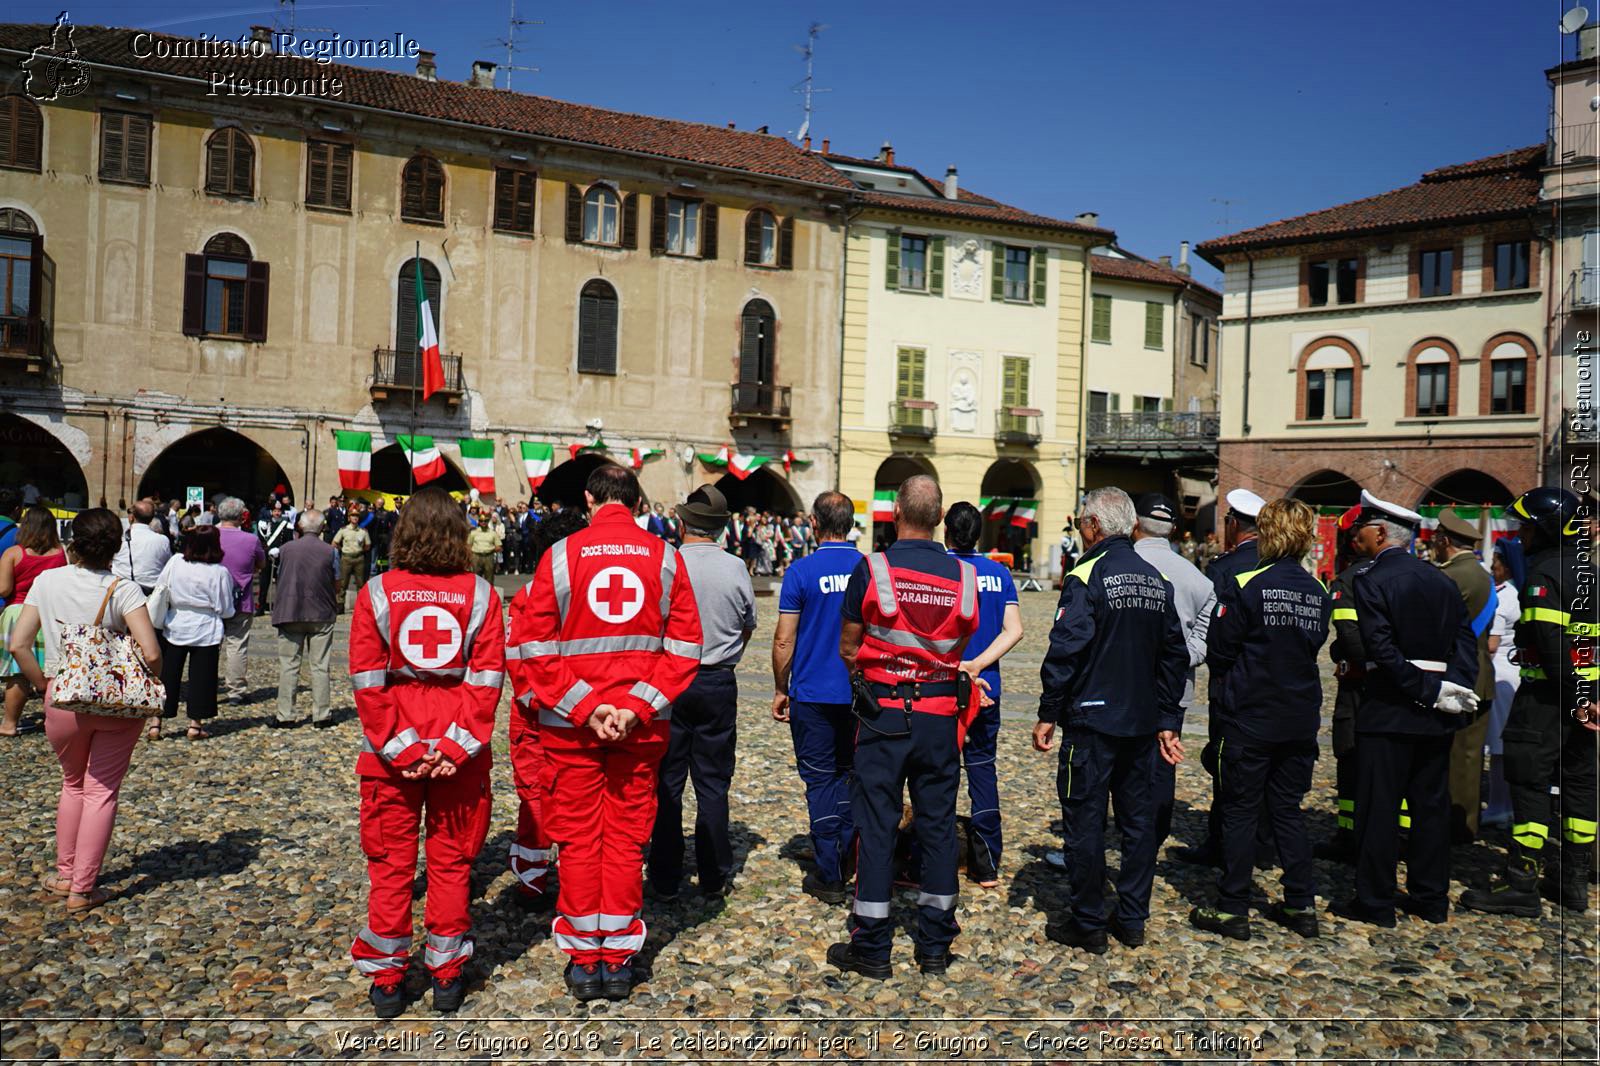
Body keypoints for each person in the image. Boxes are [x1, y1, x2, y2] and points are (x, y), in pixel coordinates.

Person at [510, 464, 701, 1002]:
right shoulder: (666, 559)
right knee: (623, 838)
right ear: (637, 503)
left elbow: (534, 648)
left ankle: (582, 957)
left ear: (591, 500)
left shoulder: (560, 557)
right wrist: (636, 707)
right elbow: (686, 648)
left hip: (571, 731)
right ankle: (617, 959)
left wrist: (586, 708)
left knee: (575, 837)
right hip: (639, 730)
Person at [347, 487, 504, 1017]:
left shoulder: (377, 593)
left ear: (404, 533)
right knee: (452, 863)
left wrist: (404, 747)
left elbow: (368, 683)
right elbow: (487, 681)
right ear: (460, 535)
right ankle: (447, 973)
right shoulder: (482, 594)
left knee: (390, 866)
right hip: (462, 749)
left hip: (390, 754)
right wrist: (453, 748)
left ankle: (387, 980)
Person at [827, 475, 981, 980]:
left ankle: (872, 947)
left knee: (876, 826)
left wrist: (876, 671)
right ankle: (934, 946)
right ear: (940, 518)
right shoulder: (965, 576)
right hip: (940, 718)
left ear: (895, 514)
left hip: (883, 715)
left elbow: (849, 644)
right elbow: (961, 643)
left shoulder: (872, 568)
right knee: (938, 827)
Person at [1032, 487, 1187, 954]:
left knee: (1085, 821)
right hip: (1141, 724)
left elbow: (1066, 650)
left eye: (1082, 522)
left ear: (1095, 527)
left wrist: (1048, 712)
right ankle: (1133, 917)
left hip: (1092, 724)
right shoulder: (1156, 579)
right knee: (1137, 826)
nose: (1081, 529)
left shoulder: (1086, 574)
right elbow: (1175, 655)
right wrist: (1167, 717)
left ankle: (1088, 922)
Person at [1331, 491, 1477, 928]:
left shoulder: (1369, 580)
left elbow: (1380, 648)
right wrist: (1451, 691)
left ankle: (1375, 901)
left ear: (1380, 533)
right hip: (1435, 713)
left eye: (1363, 529)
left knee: (1379, 809)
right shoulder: (1441, 580)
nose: (1358, 536)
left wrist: (1421, 688)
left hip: (1389, 704)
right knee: (1429, 808)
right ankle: (1431, 898)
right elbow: (1464, 643)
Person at [8, 508, 162, 914]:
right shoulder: (123, 589)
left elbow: (18, 645)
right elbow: (150, 651)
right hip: (115, 703)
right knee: (101, 790)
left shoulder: (47, 581)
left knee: (72, 783)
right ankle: (83, 888)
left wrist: (44, 684)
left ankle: (64, 873)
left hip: (62, 696)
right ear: (116, 546)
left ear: (72, 540)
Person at [1189, 498, 1329, 941]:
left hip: (1250, 715)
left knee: (1241, 810)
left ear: (1269, 534)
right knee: (1287, 810)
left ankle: (1233, 907)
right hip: (1299, 715)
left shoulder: (1246, 582)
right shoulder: (1316, 591)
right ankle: (1301, 902)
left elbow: (1221, 648)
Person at [1460, 487, 1595, 916]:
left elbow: (1552, 647)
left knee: (1530, 785)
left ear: (1548, 529)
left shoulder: (1546, 574)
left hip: (1547, 701)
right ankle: (1572, 884)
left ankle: (1522, 882)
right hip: (1586, 706)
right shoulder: (1588, 572)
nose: (1520, 535)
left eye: (1526, 526)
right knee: (1579, 789)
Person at [647, 485, 756, 900]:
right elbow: (748, 625)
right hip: (716, 679)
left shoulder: (666, 564)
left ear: (681, 522)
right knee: (713, 782)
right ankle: (713, 874)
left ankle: (664, 875)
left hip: (670, 677)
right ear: (721, 528)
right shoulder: (735, 568)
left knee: (668, 780)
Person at [772, 491, 862, 904]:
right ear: (850, 523)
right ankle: (848, 857)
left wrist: (779, 686)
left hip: (812, 691)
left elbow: (783, 639)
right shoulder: (869, 569)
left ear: (813, 524)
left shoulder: (801, 571)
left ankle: (829, 871)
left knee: (820, 778)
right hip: (859, 691)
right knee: (850, 774)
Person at [1173, 487, 1266, 868]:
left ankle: (1222, 843)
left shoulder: (1224, 569)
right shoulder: (1277, 563)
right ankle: (1262, 843)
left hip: (1231, 682)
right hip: (1274, 684)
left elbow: (1213, 632)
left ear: (1233, 525)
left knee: (1227, 765)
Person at [503, 506, 590, 908]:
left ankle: (538, 882)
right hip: (564, 715)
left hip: (547, 714)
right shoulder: (535, 598)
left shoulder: (528, 597)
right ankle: (544, 881)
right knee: (548, 799)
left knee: (543, 800)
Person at [942, 501, 1024, 887]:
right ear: (980, 535)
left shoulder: (940, 571)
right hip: (988, 686)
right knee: (982, 770)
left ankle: (937, 861)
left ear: (946, 532)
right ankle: (987, 865)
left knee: (938, 776)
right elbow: (1014, 630)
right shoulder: (998, 572)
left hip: (942, 687)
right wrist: (979, 665)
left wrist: (961, 666)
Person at [1128, 494, 1213, 850]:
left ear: (1134, 523)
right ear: (1175, 530)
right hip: (1172, 688)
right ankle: (1153, 835)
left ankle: (1119, 833)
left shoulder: (1115, 564)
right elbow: (1204, 640)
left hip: (1123, 685)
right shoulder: (1198, 579)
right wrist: (1176, 658)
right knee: (1163, 765)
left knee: (1115, 763)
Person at [1431, 508, 1498, 843]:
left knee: (1456, 756)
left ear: (1445, 540)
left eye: (1435, 538)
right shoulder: (1481, 574)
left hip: (1459, 673)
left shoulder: (1453, 576)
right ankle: (1464, 825)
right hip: (1481, 673)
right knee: (1470, 755)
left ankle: (1453, 828)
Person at [1315, 508, 1367, 865]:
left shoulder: (1348, 581)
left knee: (1349, 758)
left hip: (1358, 685)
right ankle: (1398, 832)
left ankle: (1349, 834)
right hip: (1400, 688)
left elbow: (1349, 641)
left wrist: (1336, 651)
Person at [153, 525, 236, 741]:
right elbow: (226, 607)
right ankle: (195, 725)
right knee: (203, 677)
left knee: (168, 674)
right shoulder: (219, 572)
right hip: (205, 627)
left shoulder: (175, 562)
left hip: (176, 622)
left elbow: (161, 586)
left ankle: (156, 722)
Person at [0, 506, 68, 735]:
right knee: (51, 668)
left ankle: (9, 723)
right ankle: (54, 721)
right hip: (49, 612)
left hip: (18, 612)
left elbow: (4, 589)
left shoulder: (13, 553)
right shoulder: (60, 553)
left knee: (19, 672)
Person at [271, 509, 339, 728]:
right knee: (320, 665)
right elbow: (337, 582)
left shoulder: (285, 549)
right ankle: (322, 715)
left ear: (300, 527)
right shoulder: (330, 551)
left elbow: (278, 575)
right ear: (322, 528)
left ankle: (285, 715)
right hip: (320, 612)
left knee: (289, 665)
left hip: (290, 609)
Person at [1482, 537, 1525, 827]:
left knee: (1498, 745)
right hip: (1505, 671)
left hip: (1499, 673)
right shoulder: (1506, 591)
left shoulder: (1505, 596)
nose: (1492, 566)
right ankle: (1502, 804)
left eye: (1496, 562)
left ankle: (1500, 805)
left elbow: (1492, 644)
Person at [216, 498, 265, 706]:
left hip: (214, 598)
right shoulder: (250, 540)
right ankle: (236, 690)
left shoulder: (210, 536)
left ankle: (207, 686)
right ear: (240, 516)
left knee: (211, 645)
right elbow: (260, 563)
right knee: (237, 645)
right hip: (241, 598)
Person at [112, 499, 172, 596]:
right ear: (151, 519)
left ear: (131, 517)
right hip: (150, 595)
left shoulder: (120, 538)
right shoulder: (162, 540)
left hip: (121, 592)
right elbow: (167, 565)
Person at [332, 510, 372, 613]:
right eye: (353, 516)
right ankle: (340, 606)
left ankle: (360, 607)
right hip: (346, 558)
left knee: (361, 584)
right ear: (349, 518)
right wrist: (343, 550)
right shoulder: (343, 530)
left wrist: (360, 550)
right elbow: (334, 542)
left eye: (357, 516)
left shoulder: (363, 531)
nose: (355, 518)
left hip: (359, 558)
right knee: (343, 583)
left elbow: (368, 545)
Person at [256, 504, 293, 613]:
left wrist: (280, 550)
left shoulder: (287, 525)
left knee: (281, 583)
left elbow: (289, 542)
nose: (277, 513)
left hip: (280, 556)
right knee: (264, 583)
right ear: (271, 512)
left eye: (279, 511)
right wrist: (268, 551)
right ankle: (261, 606)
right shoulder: (265, 524)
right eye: (275, 511)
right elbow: (261, 541)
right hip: (267, 557)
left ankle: (280, 606)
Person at [466, 512, 499, 583]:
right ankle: (476, 593)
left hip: (489, 556)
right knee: (476, 578)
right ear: (479, 522)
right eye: (481, 521)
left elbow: (498, 546)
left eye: (485, 521)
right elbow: (468, 545)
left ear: (488, 521)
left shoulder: (493, 533)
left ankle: (489, 593)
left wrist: (492, 549)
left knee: (489, 578)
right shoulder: (473, 533)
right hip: (476, 556)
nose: (483, 522)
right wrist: (469, 558)